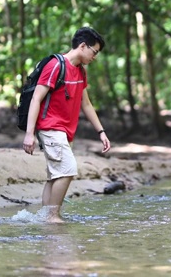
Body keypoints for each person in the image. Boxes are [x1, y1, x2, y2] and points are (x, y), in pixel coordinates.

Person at [22, 27, 111, 223]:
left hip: (65, 132)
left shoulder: (80, 71)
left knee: (55, 176)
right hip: (50, 127)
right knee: (68, 169)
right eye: (94, 52)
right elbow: (36, 98)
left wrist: (101, 132)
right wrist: (30, 134)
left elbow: (86, 104)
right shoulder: (56, 65)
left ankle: (45, 217)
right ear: (82, 46)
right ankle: (53, 217)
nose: (95, 57)